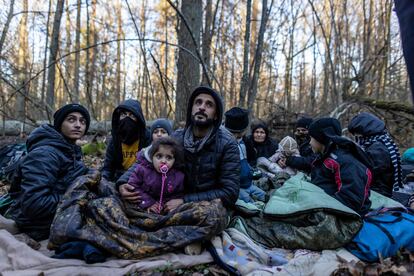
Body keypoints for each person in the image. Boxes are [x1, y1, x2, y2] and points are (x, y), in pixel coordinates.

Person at [128, 86, 239, 213]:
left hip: (204, 206)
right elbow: (145, 158)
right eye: (198, 102)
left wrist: (185, 201)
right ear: (191, 109)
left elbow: (230, 192)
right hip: (171, 199)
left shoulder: (227, 144)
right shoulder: (177, 137)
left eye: (209, 105)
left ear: (216, 115)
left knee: (210, 219)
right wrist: (123, 183)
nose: (202, 107)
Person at [7, 104, 91, 241]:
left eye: (83, 121)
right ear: (59, 124)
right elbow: (35, 204)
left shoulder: (70, 150)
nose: (78, 125)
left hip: (60, 214)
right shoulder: (45, 154)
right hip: (37, 224)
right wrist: (81, 197)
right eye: (71, 120)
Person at [309, 117, 373, 216]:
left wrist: (320, 206)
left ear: (321, 138)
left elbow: (351, 200)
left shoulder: (346, 161)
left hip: (342, 215)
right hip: (325, 207)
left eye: (311, 138)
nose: (309, 143)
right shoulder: (326, 157)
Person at [348, 112, 403, 198]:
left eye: (357, 133)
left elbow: (369, 172)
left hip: (378, 194)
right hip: (379, 191)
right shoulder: (381, 142)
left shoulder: (377, 148)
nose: (356, 136)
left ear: (366, 131)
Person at [127, 137, 185, 214]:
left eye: (169, 158)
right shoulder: (142, 170)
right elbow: (133, 186)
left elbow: (177, 195)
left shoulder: (178, 177)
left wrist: (165, 205)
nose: (163, 161)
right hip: (143, 204)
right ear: (152, 157)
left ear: (174, 160)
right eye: (159, 156)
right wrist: (149, 202)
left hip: (164, 209)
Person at [102, 99, 150, 182]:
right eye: (123, 114)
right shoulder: (115, 140)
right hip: (118, 178)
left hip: (141, 178)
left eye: (132, 115)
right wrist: (103, 181)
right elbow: (108, 168)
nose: (127, 119)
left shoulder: (147, 137)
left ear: (138, 118)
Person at [224, 107, 265, 203]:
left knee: (264, 196)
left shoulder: (243, 142)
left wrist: (251, 171)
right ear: (242, 130)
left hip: (249, 183)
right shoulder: (225, 145)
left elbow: (245, 162)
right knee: (250, 204)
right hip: (237, 188)